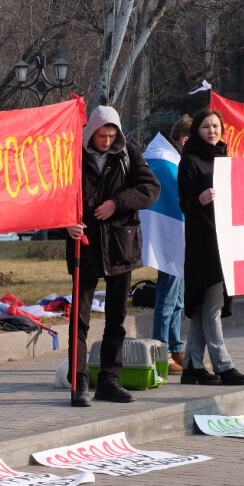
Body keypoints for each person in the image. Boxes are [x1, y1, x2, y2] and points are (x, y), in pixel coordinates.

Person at [66, 106, 160, 406]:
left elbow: (150, 189)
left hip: (121, 244)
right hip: (85, 244)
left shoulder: (127, 153)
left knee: (116, 318)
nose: (106, 141)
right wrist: (66, 223)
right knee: (79, 320)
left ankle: (109, 379)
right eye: (101, 135)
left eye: (111, 135)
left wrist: (116, 203)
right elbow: (55, 193)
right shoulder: (72, 154)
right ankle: (79, 381)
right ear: (90, 131)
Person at [177, 108, 244, 386]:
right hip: (204, 244)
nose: (212, 131)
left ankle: (193, 366)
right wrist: (200, 199)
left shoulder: (227, 161)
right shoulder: (191, 162)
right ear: (196, 130)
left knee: (203, 307)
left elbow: (238, 199)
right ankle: (223, 365)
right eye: (206, 126)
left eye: (216, 126)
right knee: (211, 306)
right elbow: (184, 203)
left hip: (227, 243)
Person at [151, 115, 190, 374]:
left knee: (176, 298)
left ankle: (174, 347)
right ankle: (161, 352)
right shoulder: (167, 162)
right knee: (167, 298)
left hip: (177, 236)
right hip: (170, 238)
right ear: (185, 141)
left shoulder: (168, 159)